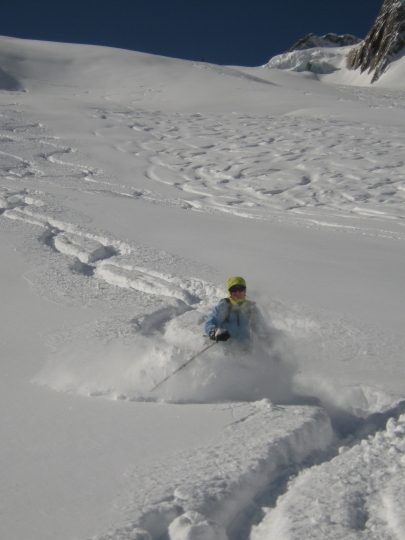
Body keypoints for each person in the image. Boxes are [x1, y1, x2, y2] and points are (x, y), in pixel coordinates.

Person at [204, 276, 272, 351]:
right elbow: (210, 323)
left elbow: (262, 331)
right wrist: (214, 332)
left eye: (240, 289)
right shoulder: (223, 307)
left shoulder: (251, 309)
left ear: (245, 291)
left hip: (245, 352)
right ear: (229, 292)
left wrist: (273, 348)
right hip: (226, 352)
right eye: (233, 289)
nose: (237, 292)